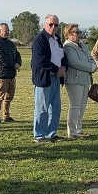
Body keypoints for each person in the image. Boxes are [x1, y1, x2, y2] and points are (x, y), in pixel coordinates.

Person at [31, 15, 68, 143]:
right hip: (44, 78)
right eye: (51, 24)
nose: (53, 27)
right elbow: (40, 60)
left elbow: (63, 56)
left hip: (56, 78)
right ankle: (39, 135)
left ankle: (51, 133)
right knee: (42, 107)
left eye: (56, 25)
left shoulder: (57, 39)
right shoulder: (40, 39)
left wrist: (63, 68)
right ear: (45, 24)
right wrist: (56, 69)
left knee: (55, 107)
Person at [62, 24, 96, 138]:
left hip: (85, 79)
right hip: (74, 79)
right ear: (69, 34)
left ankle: (78, 129)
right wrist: (91, 67)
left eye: (79, 31)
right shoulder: (68, 47)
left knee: (82, 106)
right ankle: (72, 132)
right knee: (75, 106)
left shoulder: (83, 45)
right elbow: (74, 62)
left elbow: (91, 58)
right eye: (76, 32)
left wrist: (94, 65)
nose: (79, 34)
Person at [0, 22, 21, 123]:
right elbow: (1, 59)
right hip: (2, 75)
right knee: (0, 97)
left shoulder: (11, 44)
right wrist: (14, 65)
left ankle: (6, 116)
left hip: (11, 75)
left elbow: (17, 55)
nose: (7, 32)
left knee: (9, 97)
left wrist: (18, 63)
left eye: (8, 30)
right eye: (5, 30)